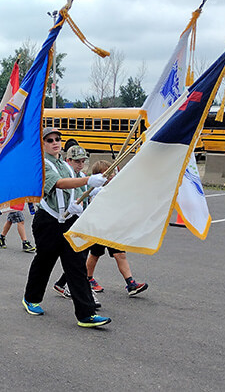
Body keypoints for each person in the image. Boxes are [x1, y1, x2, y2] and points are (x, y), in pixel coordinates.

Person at [22, 127, 112, 329]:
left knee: (77, 265)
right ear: (42, 144)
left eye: (57, 139)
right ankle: (31, 298)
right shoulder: (40, 165)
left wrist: (86, 196)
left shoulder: (66, 165)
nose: (55, 142)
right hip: (48, 221)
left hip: (69, 220)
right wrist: (88, 179)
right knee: (44, 262)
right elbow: (60, 184)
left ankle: (86, 314)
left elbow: (79, 189)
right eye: (49, 140)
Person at [82, 160, 149, 297]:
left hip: (112, 229)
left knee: (120, 254)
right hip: (99, 229)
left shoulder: (113, 187)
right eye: (108, 173)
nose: (111, 175)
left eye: (112, 172)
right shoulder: (96, 190)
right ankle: (88, 278)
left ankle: (131, 283)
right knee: (95, 255)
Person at [51, 146, 99, 308]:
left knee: (79, 259)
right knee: (76, 260)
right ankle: (85, 295)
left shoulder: (84, 177)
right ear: (68, 161)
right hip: (64, 223)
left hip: (81, 222)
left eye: (83, 161)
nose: (80, 164)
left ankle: (62, 284)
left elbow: (86, 198)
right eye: (77, 161)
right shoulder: (64, 176)